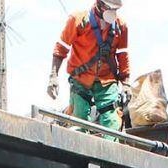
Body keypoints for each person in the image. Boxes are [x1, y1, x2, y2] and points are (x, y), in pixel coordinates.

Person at [48, 0, 130, 132]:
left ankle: (109, 149)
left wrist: (126, 83)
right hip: (80, 78)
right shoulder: (78, 20)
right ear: (100, 4)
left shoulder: (120, 26)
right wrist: (53, 76)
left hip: (106, 80)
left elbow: (122, 54)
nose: (113, 13)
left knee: (112, 122)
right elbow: (61, 48)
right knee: (79, 121)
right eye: (110, 9)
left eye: (116, 10)